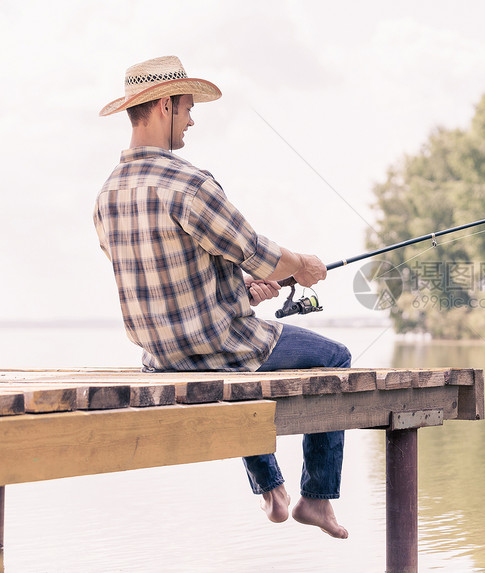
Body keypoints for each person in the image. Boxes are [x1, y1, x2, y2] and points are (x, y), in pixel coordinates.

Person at [94, 56, 349, 538]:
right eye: (188, 108)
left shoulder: (107, 195)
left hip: (161, 358)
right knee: (334, 357)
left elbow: (165, 280)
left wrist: (242, 292)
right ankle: (316, 498)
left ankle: (270, 487)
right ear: (164, 105)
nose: (192, 120)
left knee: (228, 364)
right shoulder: (188, 184)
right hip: (220, 348)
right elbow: (259, 253)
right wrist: (305, 267)